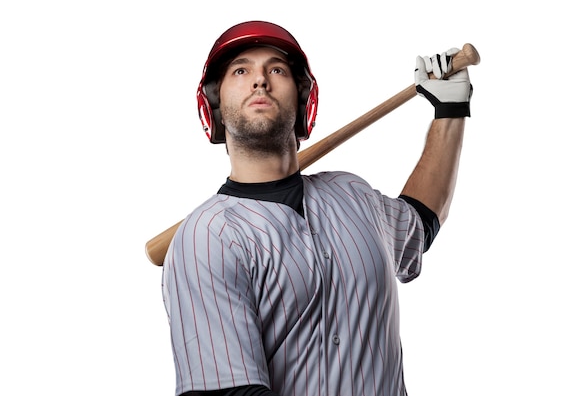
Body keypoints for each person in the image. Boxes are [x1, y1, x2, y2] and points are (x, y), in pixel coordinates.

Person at [162, 20, 472, 396]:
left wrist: (450, 110)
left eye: (276, 69)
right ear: (215, 108)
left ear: (303, 100)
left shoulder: (352, 194)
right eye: (240, 70)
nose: (260, 80)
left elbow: (420, 222)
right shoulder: (206, 237)